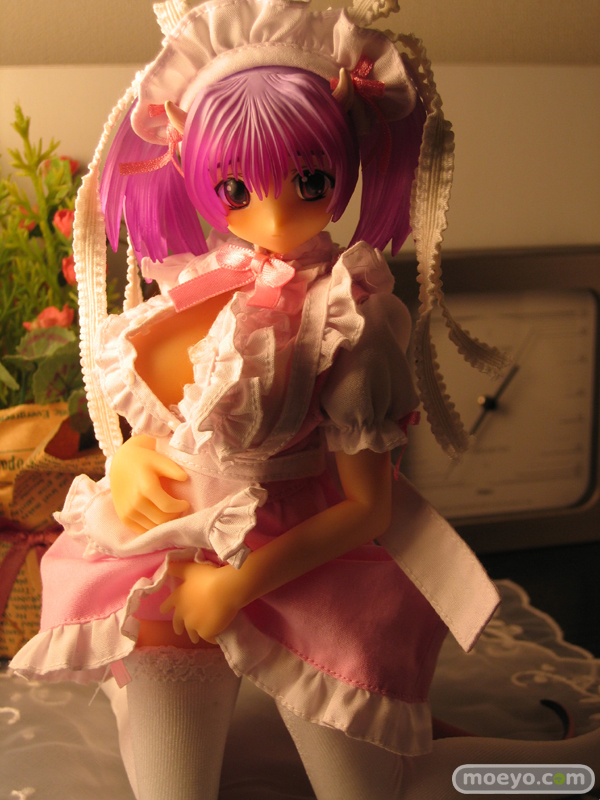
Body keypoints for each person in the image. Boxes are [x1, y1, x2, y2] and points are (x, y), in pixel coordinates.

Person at [11, 1, 599, 798]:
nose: (276, 215)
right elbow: (172, 422)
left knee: (375, 789)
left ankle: (567, 771)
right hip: (171, 568)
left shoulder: (350, 317)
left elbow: (366, 507)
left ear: (346, 168)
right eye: (235, 188)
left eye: (311, 181)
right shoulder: (194, 287)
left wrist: (237, 585)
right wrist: (130, 464)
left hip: (301, 573)